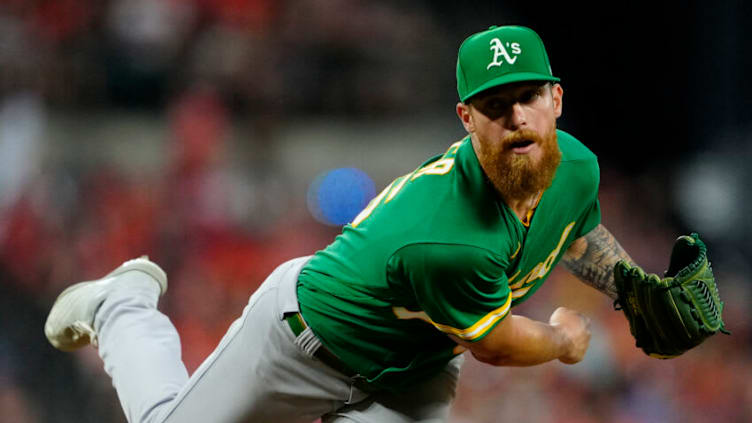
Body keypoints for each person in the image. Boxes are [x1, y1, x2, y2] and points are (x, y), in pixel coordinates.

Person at [45, 25, 635, 422]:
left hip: (414, 373)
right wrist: (562, 339)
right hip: (306, 343)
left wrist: (635, 290)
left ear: (556, 99)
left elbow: (578, 237)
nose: (516, 117)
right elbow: (500, 348)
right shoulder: (445, 238)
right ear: (465, 118)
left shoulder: (577, 169)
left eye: (528, 95)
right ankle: (123, 304)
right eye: (494, 105)